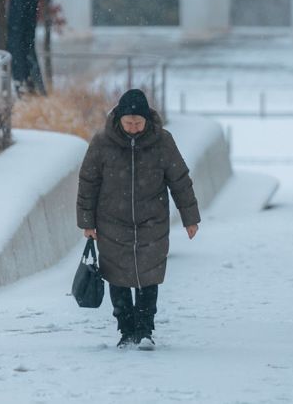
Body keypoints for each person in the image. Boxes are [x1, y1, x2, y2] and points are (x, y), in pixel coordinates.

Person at [77, 89, 201, 350]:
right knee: (117, 276)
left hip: (152, 221)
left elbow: (180, 181)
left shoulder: (163, 141)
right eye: (128, 123)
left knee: (149, 275)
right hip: (111, 222)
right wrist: (87, 222)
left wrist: (191, 218)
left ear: (147, 120)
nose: (133, 128)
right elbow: (88, 182)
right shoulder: (102, 142)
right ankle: (126, 329)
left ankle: (145, 329)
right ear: (119, 119)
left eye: (138, 123)